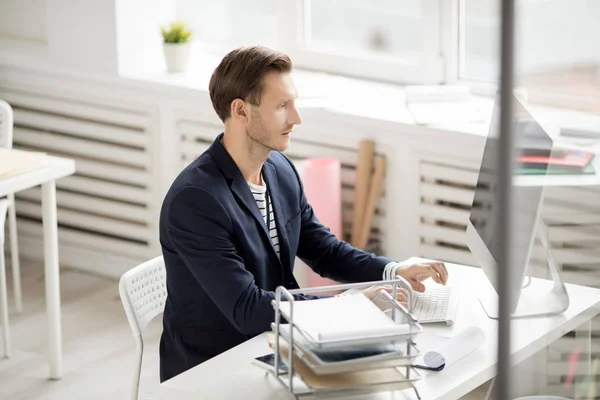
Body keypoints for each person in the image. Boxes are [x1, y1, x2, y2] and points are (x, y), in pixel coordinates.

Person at [158, 46, 448, 382]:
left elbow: (323, 250)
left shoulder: (279, 169)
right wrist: (349, 307)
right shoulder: (196, 200)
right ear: (240, 111)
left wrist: (392, 270)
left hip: (280, 340)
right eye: (282, 106)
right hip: (215, 366)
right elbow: (247, 309)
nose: (297, 118)